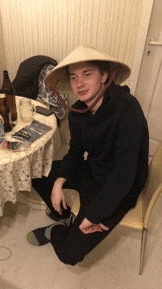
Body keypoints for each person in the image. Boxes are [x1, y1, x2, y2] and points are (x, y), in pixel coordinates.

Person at [27, 45, 149, 266]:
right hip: (92, 171)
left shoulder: (127, 109)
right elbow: (75, 151)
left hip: (118, 189)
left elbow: (124, 176)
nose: (79, 84)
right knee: (37, 174)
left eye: (87, 74)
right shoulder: (78, 112)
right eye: (73, 77)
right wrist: (59, 183)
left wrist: (93, 217)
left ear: (104, 76)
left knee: (68, 255)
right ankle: (63, 215)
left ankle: (58, 230)